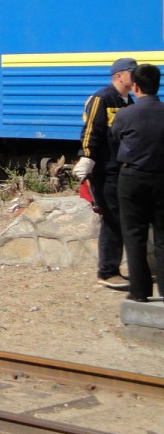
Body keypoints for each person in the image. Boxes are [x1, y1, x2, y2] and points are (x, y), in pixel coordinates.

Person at [75, 57, 136, 289]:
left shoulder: (128, 101)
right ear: (119, 76)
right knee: (111, 219)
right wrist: (87, 156)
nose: (136, 76)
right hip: (105, 170)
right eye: (132, 72)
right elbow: (91, 130)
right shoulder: (102, 98)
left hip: (122, 170)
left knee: (120, 219)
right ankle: (107, 271)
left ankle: (115, 268)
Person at [111, 64, 164, 303]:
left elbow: (115, 137)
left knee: (134, 236)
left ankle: (140, 292)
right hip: (162, 178)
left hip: (131, 179)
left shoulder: (125, 114)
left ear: (136, 86)